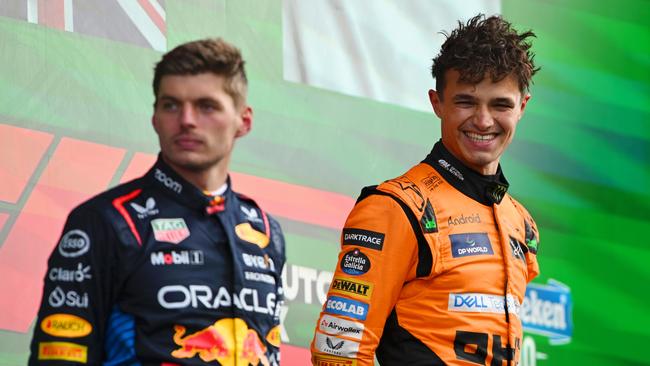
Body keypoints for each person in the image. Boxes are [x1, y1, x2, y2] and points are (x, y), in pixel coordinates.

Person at [29, 38, 285, 365]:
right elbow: (60, 355)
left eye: (206, 106)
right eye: (171, 105)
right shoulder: (108, 221)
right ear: (154, 118)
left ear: (243, 121)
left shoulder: (263, 231)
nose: (187, 119)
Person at [311, 14, 540, 366]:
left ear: (521, 108)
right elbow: (337, 351)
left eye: (500, 104)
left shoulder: (520, 221)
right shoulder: (395, 207)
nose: (483, 120)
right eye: (466, 101)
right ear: (437, 103)